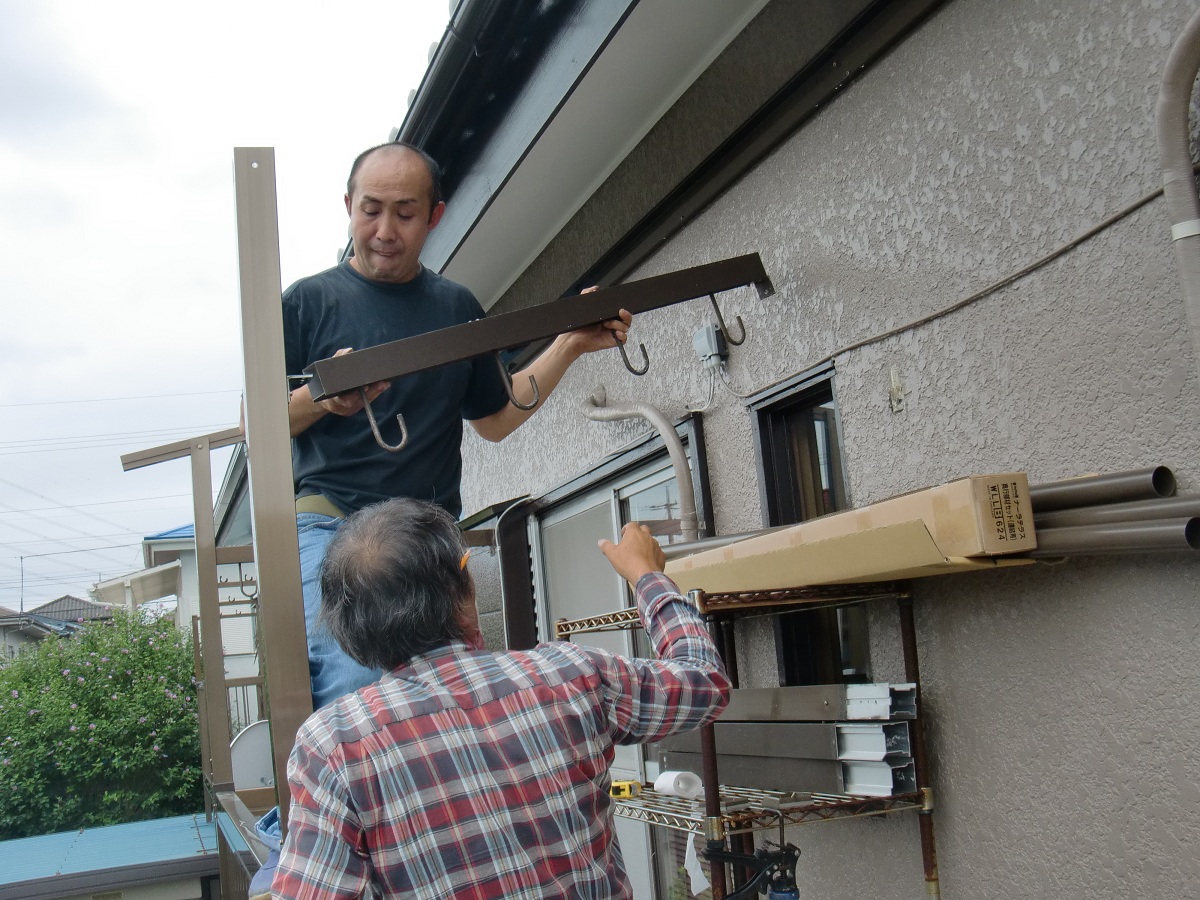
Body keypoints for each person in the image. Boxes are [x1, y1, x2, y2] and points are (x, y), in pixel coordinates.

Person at [283, 142, 632, 707]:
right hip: (333, 531)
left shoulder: (455, 307)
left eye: (405, 212)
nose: (385, 230)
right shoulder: (306, 303)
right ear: (348, 205)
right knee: (359, 688)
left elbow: (495, 418)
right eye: (370, 210)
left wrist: (569, 344)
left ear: (434, 216)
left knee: (448, 698)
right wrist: (325, 398)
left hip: (428, 537)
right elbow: (261, 426)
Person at [269, 498, 730, 899]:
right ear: (464, 587)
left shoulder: (335, 746)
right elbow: (705, 682)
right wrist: (647, 576)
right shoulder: (569, 674)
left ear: (349, 631)